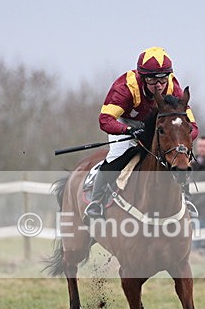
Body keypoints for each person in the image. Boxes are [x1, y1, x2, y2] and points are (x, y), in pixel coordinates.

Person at [85, 46, 199, 219]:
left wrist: (180, 140)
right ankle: (96, 201)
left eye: (162, 80)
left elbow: (192, 126)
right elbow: (105, 120)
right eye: (153, 81)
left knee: (179, 155)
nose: (159, 86)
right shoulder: (125, 87)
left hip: (158, 124)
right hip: (126, 122)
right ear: (142, 77)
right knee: (117, 156)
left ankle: (185, 197)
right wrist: (128, 130)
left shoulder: (173, 87)